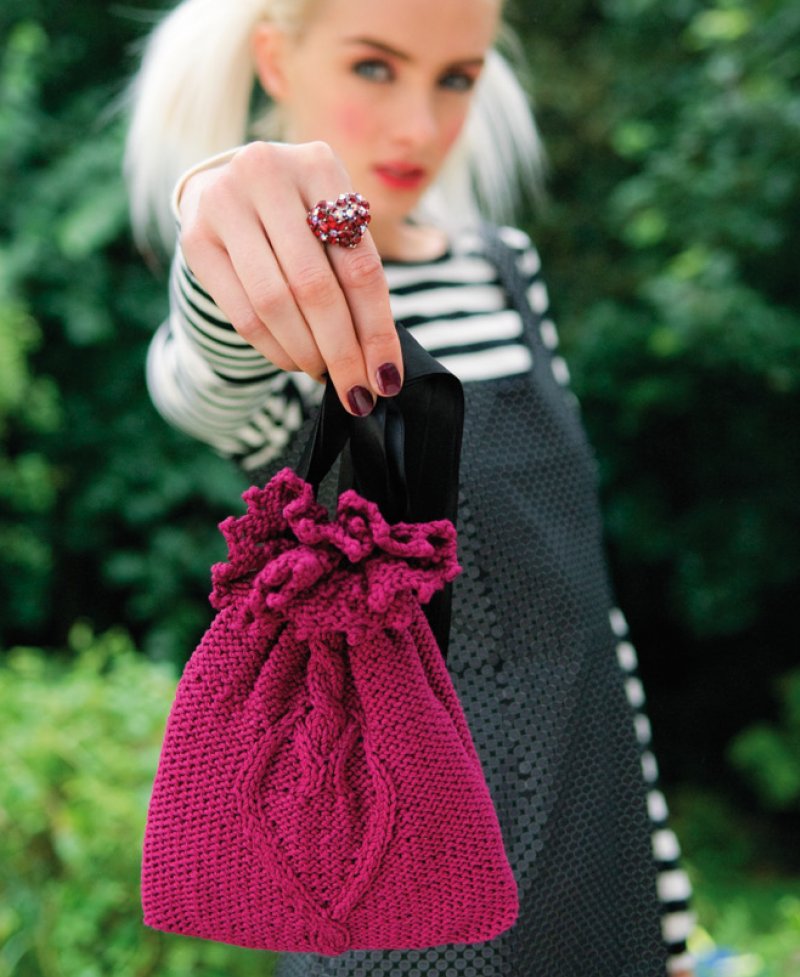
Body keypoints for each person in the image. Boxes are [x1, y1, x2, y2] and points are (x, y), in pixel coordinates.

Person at [125, 0, 696, 973]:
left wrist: (665, 903)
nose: (420, 126)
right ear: (276, 60)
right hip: (392, 885)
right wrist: (213, 205)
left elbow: (589, 622)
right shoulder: (281, 316)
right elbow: (201, 382)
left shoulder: (506, 271)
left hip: (592, 851)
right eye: (375, 67)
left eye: (456, 78)